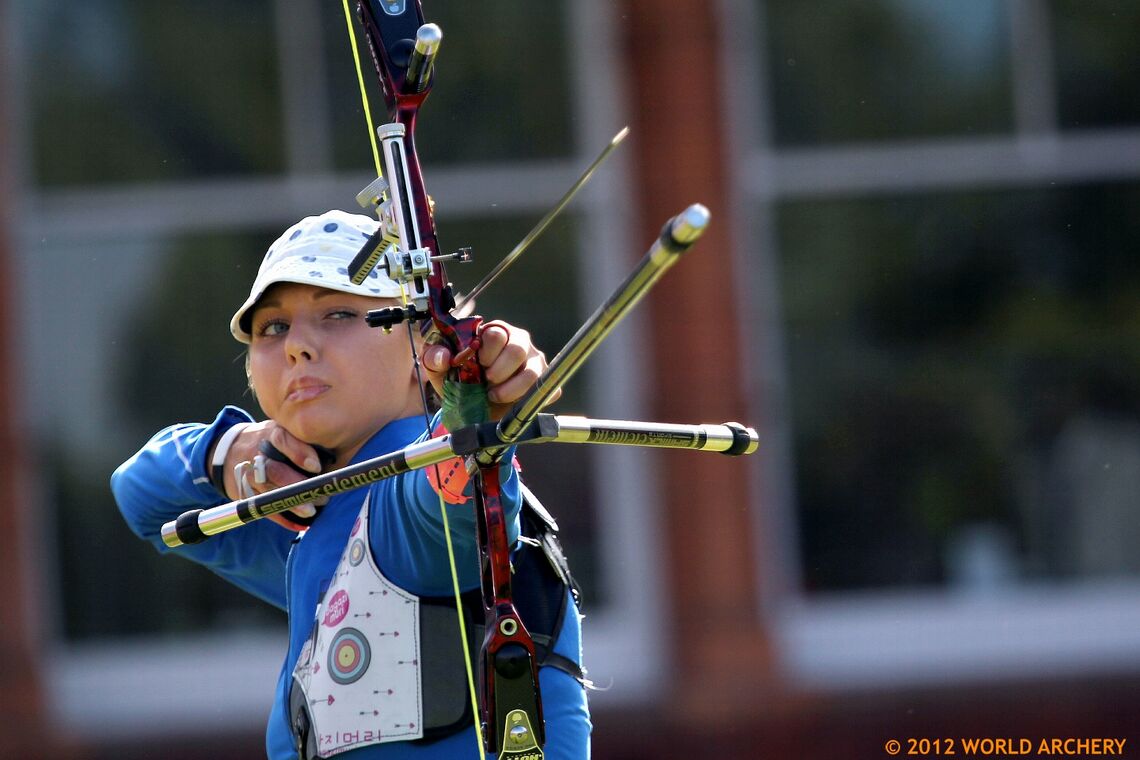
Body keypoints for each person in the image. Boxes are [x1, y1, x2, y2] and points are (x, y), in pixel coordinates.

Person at [112, 209, 591, 759]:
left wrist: (474, 401)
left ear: (423, 347)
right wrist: (228, 451)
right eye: (274, 327)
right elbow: (141, 497)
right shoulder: (310, 518)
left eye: (338, 313)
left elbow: (450, 492)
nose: (297, 346)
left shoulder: (404, 500)